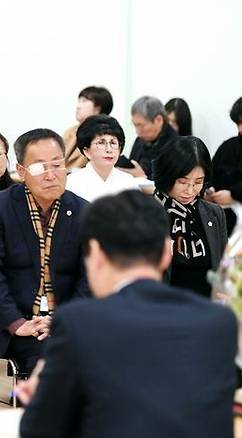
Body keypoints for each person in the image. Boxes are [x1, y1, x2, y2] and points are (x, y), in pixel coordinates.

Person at [17, 190, 237, 438]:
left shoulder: (78, 322)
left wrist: (40, 396)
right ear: (167, 252)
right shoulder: (218, 322)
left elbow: (38, 430)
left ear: (96, 254)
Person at [0, 128, 90, 373]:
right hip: (19, 319)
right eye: (39, 167)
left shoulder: (83, 211)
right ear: (21, 171)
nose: (51, 175)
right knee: (50, 354)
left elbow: (89, 277)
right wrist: (16, 323)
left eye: (57, 165)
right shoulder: (1, 207)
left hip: (67, 317)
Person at [154, 136, 226, 298]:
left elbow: (223, 269)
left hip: (206, 310)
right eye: (182, 182)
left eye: (198, 182)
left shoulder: (213, 213)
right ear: (167, 175)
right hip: (163, 311)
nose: (190, 190)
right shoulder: (146, 213)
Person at [65, 115, 139, 202]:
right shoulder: (73, 183)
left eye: (113, 142)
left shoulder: (129, 182)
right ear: (86, 151)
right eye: (101, 143)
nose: (109, 149)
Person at [118, 95, 177, 179]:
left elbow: (171, 187)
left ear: (158, 120)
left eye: (141, 125)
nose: (137, 132)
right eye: (135, 125)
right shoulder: (141, 139)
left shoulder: (176, 147)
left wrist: (142, 177)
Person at [209, 96, 242, 235]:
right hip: (221, 213)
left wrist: (234, 195)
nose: (240, 129)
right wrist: (209, 189)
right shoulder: (228, 146)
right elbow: (210, 172)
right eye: (238, 124)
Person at [63, 86, 113, 169]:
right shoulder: (70, 132)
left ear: (97, 108)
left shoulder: (105, 136)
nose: (78, 106)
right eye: (79, 101)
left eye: (84, 101)